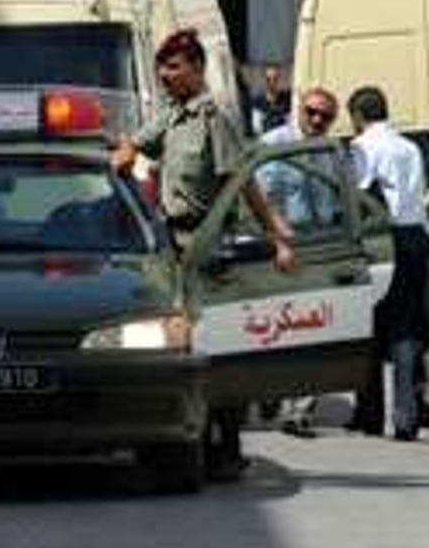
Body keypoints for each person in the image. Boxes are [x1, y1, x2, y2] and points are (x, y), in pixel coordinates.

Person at [111, 28, 295, 480]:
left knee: (217, 349)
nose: (164, 75)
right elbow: (133, 145)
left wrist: (278, 234)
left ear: (196, 69)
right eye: (162, 67)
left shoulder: (215, 118)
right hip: (169, 249)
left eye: (173, 67)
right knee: (179, 345)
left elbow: (243, 182)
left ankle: (225, 448)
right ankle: (188, 434)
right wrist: (120, 154)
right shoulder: (172, 116)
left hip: (208, 246)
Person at [344, 85, 429, 441]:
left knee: (369, 324)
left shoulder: (363, 147)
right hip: (414, 238)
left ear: (359, 116)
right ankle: (407, 419)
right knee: (406, 326)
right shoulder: (411, 147)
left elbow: (359, 192)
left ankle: (370, 415)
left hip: (381, 240)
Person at [260, 87, 341, 438]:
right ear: (299, 109)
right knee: (280, 329)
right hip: (283, 244)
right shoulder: (276, 143)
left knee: (315, 330)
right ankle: (271, 393)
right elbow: (263, 199)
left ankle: (300, 411)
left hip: (319, 245)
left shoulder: (329, 150)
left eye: (325, 115)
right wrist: (279, 242)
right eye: (312, 112)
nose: (317, 120)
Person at [250, 65, 292, 135]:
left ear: (278, 80)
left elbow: (290, 121)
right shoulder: (258, 101)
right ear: (264, 80)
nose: (271, 82)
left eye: (275, 79)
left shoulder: (285, 99)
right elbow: (257, 128)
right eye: (268, 79)